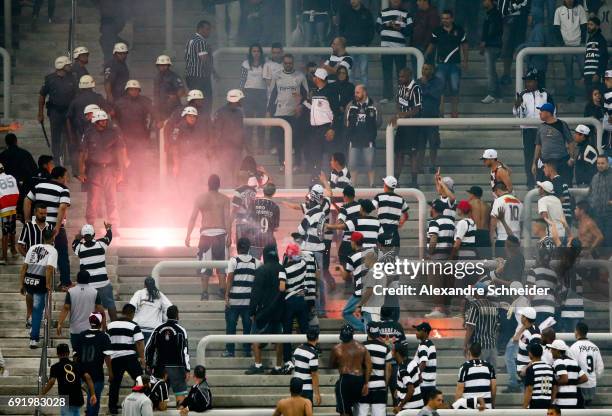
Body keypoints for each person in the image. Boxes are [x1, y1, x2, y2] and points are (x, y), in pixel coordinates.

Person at [78, 110, 127, 231]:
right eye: (102, 120)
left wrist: (121, 171)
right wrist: (81, 171)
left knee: (111, 199)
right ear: (96, 121)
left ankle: (114, 227)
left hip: (109, 169)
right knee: (93, 200)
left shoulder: (113, 132)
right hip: (94, 169)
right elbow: (83, 153)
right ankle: (90, 225)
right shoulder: (89, 133)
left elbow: (120, 152)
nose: (104, 122)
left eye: (105, 120)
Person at [185, 174, 231, 300]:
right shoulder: (224, 199)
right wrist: (229, 235)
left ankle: (205, 293)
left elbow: (193, 218)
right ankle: (222, 291)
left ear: (208, 185)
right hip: (220, 234)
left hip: (206, 235)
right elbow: (227, 219)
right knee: (221, 266)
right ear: (219, 185)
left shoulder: (200, 198)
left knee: (205, 265)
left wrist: (188, 235)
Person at [24, 166, 71, 289]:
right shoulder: (63, 189)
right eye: (66, 176)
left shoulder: (39, 186)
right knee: (62, 253)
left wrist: (28, 221)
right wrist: (57, 227)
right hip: (55, 228)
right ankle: (65, 283)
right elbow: (62, 207)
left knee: (38, 253)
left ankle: (34, 280)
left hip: (38, 225)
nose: (67, 179)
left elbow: (27, 201)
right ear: (60, 177)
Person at [246, 244, 286, 374]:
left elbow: (255, 293)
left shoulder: (261, 270)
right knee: (279, 340)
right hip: (280, 311)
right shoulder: (282, 269)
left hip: (263, 312)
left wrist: (252, 311)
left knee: (255, 338)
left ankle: (258, 365)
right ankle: (278, 366)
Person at [514, 68, 555, 189]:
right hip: (528, 130)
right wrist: (517, 106)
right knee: (529, 156)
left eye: (530, 81)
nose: (528, 83)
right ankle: (530, 182)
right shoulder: (523, 95)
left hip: (543, 129)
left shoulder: (546, 94)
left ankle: (544, 181)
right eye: (527, 81)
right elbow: (517, 115)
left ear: (536, 81)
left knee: (544, 156)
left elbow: (553, 112)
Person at [267, 53, 308, 168]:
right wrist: (269, 111)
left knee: (296, 141)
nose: (288, 65)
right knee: (280, 142)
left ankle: (297, 164)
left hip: (295, 115)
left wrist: (301, 106)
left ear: (293, 63)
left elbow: (306, 96)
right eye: (286, 63)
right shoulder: (276, 76)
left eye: (290, 63)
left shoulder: (300, 76)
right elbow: (272, 94)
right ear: (283, 63)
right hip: (279, 114)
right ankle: (282, 164)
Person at [113, 80, 155, 193]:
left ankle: (140, 185)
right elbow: (114, 117)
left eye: (136, 89)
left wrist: (149, 129)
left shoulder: (145, 101)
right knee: (123, 162)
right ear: (127, 90)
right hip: (124, 138)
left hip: (141, 138)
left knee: (140, 162)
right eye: (131, 89)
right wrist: (118, 131)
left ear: (139, 90)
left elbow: (154, 114)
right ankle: (124, 183)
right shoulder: (119, 103)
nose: (134, 91)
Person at [426, 10, 468, 118]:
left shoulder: (459, 30)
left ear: (452, 19)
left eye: (447, 18)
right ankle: (441, 111)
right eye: (443, 18)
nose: (445, 20)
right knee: (440, 88)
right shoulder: (437, 31)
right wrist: (425, 57)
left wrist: (466, 60)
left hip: (455, 64)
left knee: (455, 88)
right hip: (441, 64)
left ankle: (454, 112)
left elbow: (465, 46)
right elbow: (432, 45)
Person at [145, 305, 190, 404]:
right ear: (177, 315)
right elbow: (184, 352)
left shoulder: (158, 329)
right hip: (176, 368)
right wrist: (187, 369)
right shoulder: (181, 331)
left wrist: (148, 364)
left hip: (160, 367)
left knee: (161, 399)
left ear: (166, 315)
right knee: (181, 400)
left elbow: (149, 348)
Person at [19, 229, 56, 348]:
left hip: (29, 280)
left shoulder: (33, 247)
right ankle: (34, 338)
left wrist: (21, 284)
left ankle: (30, 321)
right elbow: (49, 268)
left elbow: (24, 267)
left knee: (31, 303)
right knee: (38, 310)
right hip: (40, 281)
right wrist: (48, 284)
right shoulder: (52, 250)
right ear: (53, 238)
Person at [105, 303, 145, 415]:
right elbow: (139, 342)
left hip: (115, 358)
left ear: (122, 312)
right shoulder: (134, 325)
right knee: (140, 379)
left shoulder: (110, 325)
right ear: (132, 314)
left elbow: (106, 343)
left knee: (115, 384)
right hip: (129, 357)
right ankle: (137, 403)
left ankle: (112, 408)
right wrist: (142, 358)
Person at [72, 222, 116, 320]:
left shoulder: (79, 248)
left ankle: (94, 329)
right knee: (110, 304)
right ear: (94, 235)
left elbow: (75, 242)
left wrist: (78, 238)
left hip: (89, 286)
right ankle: (115, 327)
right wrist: (108, 228)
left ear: (83, 236)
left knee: (93, 308)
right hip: (103, 282)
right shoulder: (101, 244)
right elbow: (109, 237)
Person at [224, 237, 260, 357]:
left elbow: (229, 279)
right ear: (249, 248)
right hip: (248, 301)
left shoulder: (233, 261)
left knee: (231, 326)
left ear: (238, 248)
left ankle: (230, 351)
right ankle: (247, 351)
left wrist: (227, 296)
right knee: (247, 327)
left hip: (234, 300)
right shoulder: (256, 262)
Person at [38, 56, 77, 163]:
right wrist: (40, 113)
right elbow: (42, 96)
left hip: (69, 113)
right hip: (55, 112)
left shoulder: (73, 78)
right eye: (68, 65)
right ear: (62, 66)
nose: (70, 66)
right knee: (56, 139)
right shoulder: (49, 79)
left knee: (71, 138)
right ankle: (56, 164)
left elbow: (77, 96)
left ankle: (73, 164)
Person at [279, 244, 310, 372]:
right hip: (301, 300)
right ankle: (309, 355)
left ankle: (287, 359)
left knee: (287, 332)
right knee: (304, 329)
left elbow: (281, 287)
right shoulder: (303, 264)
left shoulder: (283, 269)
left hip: (289, 301)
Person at [42, 343, 97, 416]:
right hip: (78, 397)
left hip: (65, 398)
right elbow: (88, 377)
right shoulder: (77, 365)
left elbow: (52, 381)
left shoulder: (55, 367)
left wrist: (42, 394)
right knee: (76, 412)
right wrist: (93, 394)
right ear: (68, 353)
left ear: (57, 354)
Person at [56, 270, 104, 352]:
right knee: (89, 353)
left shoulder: (71, 292)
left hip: (75, 329)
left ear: (77, 279)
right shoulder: (95, 292)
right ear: (89, 279)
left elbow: (66, 308)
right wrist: (103, 325)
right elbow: (100, 310)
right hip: (90, 328)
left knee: (76, 353)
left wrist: (60, 323)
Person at [330, 324, 372, 416]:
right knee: (359, 410)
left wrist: (342, 362)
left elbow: (332, 365)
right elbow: (369, 366)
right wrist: (366, 383)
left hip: (345, 380)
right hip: (359, 380)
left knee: (344, 411)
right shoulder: (362, 347)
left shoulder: (337, 348)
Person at [306, 68, 341, 177]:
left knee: (330, 157)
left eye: (315, 76)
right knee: (315, 158)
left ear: (319, 78)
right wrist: (302, 101)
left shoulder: (331, 92)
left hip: (326, 129)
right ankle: (316, 180)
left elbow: (336, 112)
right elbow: (313, 109)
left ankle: (334, 181)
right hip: (314, 130)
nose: (313, 78)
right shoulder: (316, 92)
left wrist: (332, 129)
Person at [377, 0, 413, 103]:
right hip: (385, 48)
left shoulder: (407, 13)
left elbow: (409, 31)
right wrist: (387, 24)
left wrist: (399, 28)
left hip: (400, 48)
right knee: (387, 73)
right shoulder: (382, 13)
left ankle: (402, 97)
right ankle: (387, 96)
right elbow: (377, 28)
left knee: (401, 74)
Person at [391, 68, 423, 185]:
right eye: (399, 77)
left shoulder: (416, 88)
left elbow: (417, 109)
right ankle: (395, 181)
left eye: (403, 77)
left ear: (409, 76)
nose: (400, 79)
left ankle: (414, 182)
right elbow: (398, 103)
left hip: (413, 125)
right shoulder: (400, 87)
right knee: (399, 153)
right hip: (402, 125)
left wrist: (402, 115)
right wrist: (398, 114)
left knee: (413, 154)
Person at [425, 199, 455, 318]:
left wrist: (429, 253)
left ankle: (439, 308)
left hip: (436, 257)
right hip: (449, 257)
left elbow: (433, 239)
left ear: (433, 209)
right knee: (447, 284)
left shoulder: (434, 222)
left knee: (436, 284)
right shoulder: (451, 222)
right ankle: (446, 309)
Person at [78, 312, 112, 416]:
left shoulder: (81, 335)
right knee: (94, 400)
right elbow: (107, 357)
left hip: (82, 373)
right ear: (101, 322)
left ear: (89, 322)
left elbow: (75, 357)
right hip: (97, 374)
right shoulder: (104, 337)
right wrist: (110, 373)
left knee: (91, 398)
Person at [345, 84, 379, 187]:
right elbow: (346, 122)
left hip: (368, 141)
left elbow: (378, 122)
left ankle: (372, 185)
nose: (355, 94)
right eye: (355, 92)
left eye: (358, 92)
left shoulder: (374, 105)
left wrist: (370, 133)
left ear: (364, 92)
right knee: (352, 165)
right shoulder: (350, 105)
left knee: (370, 164)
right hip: (354, 141)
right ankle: (353, 185)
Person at [554, 0, 588, 102]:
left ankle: (589, 94)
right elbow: (556, 28)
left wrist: (582, 42)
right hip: (566, 46)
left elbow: (584, 26)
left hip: (579, 46)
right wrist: (562, 43)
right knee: (568, 72)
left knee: (585, 71)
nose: (570, 0)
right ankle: (570, 95)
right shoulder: (559, 10)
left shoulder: (580, 9)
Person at [534, 103, 575, 185]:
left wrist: (571, 157)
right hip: (546, 162)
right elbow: (538, 146)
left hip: (561, 162)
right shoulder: (541, 127)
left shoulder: (562, 124)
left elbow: (571, 142)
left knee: (563, 186)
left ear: (548, 113)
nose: (539, 113)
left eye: (541, 111)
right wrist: (534, 163)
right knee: (546, 187)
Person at [356, 323, 391, 416]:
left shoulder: (361, 347)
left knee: (362, 413)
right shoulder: (385, 348)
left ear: (367, 332)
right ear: (378, 333)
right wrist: (385, 384)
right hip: (380, 385)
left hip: (364, 385)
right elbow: (389, 369)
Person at [0, 134, 36, 223]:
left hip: (10, 190)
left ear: (6, 143)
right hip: (25, 187)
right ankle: (28, 230)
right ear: (16, 141)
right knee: (26, 217)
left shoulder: (3, 155)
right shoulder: (25, 153)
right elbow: (34, 169)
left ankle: (9, 233)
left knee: (8, 218)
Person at [338, 0, 374, 85]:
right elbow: (341, 28)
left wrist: (366, 43)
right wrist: (344, 42)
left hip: (363, 47)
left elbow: (371, 29)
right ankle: (351, 94)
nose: (352, 1)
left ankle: (364, 94)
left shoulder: (367, 12)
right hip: (349, 47)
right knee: (350, 73)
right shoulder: (345, 12)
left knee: (363, 72)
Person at [464, 283, 499, 367]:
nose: (473, 292)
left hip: (479, 347)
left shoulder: (475, 306)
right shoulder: (494, 307)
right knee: (491, 374)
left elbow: (470, 327)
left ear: (478, 292)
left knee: (478, 372)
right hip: (492, 346)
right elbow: (497, 327)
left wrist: (465, 344)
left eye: (474, 290)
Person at [184, 20, 214, 117]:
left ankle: (193, 118)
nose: (209, 32)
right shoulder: (200, 42)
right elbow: (204, 59)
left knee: (194, 99)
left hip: (190, 75)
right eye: (207, 29)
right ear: (200, 29)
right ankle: (203, 121)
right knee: (206, 101)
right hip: (200, 77)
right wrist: (214, 72)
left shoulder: (190, 40)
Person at [417, 63, 443, 172]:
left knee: (433, 143)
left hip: (433, 117)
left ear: (432, 70)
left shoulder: (438, 82)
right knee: (420, 144)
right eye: (423, 68)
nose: (424, 71)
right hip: (420, 118)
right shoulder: (418, 82)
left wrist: (425, 86)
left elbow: (435, 94)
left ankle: (433, 165)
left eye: (426, 69)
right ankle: (420, 166)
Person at [130, 277, 172, 345]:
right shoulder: (159, 295)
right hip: (153, 329)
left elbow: (131, 307)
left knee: (139, 353)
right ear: (154, 284)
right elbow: (169, 307)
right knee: (150, 353)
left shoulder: (139, 293)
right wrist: (164, 321)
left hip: (139, 328)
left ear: (144, 285)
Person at [212, 89, 246, 173]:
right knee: (225, 174)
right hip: (224, 150)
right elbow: (216, 133)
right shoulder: (220, 112)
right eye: (240, 99)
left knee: (237, 174)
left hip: (237, 150)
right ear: (236, 100)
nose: (241, 101)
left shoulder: (239, 113)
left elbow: (241, 131)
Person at [570, 322, 604, 406]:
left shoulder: (574, 347)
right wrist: (593, 376)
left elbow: (573, 367)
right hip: (592, 385)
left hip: (580, 385)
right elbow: (600, 368)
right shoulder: (595, 347)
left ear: (577, 331)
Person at [455, 342, 497, 409]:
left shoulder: (465, 367)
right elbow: (494, 387)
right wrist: (492, 404)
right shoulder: (489, 366)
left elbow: (460, 389)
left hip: (470, 408)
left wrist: (457, 408)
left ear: (469, 352)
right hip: (486, 407)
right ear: (481, 353)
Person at [372, 175, 408, 252]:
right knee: (393, 257)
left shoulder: (379, 197)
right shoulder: (401, 199)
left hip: (381, 230)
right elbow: (406, 214)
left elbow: (370, 208)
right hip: (394, 231)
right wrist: (402, 222)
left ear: (385, 185)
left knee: (380, 256)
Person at [499, 0, 530, 85]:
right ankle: (506, 74)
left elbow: (525, 2)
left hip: (519, 17)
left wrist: (513, 7)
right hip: (506, 17)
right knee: (507, 46)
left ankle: (523, 75)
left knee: (519, 46)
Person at [550, 339, 588, 408]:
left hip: (561, 400)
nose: (551, 351)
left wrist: (554, 383)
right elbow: (584, 378)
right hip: (573, 400)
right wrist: (572, 382)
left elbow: (564, 379)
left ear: (557, 351)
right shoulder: (573, 362)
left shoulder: (558, 362)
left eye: (552, 349)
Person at [480, 0, 504, 104]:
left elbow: (493, 29)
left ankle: (492, 94)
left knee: (490, 71)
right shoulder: (490, 13)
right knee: (492, 71)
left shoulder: (495, 14)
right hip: (492, 44)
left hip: (492, 45)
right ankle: (498, 95)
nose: (483, 2)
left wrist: (485, 41)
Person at [526, 248, 558, 325]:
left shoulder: (533, 271)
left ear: (539, 258)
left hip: (537, 310)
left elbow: (530, 294)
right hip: (550, 309)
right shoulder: (554, 274)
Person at [490, 182, 523, 253]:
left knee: (502, 263)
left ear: (498, 190)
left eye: (496, 193)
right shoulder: (519, 202)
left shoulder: (499, 200)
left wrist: (491, 238)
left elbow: (493, 220)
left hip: (503, 239)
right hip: (516, 239)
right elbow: (521, 222)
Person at [394, 340, 424, 413]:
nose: (391, 353)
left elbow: (411, 390)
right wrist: (399, 388)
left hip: (409, 408)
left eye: (393, 351)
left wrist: (399, 407)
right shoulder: (413, 362)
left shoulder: (403, 369)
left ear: (397, 353)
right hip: (419, 404)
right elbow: (420, 379)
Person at [587, 155, 611, 248]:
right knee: (599, 242)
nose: (600, 165)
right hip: (597, 215)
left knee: (609, 240)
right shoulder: (595, 177)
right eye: (598, 163)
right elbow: (590, 194)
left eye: (602, 163)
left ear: (607, 164)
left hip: (610, 214)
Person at [153, 55, 186, 122]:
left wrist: (175, 97)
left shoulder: (174, 76)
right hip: (160, 108)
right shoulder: (157, 77)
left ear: (168, 65)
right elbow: (155, 93)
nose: (162, 67)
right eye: (160, 65)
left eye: (164, 65)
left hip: (172, 107)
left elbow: (182, 90)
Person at [523, 342, 555, 408]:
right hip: (547, 402)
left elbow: (529, 390)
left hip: (535, 403)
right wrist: (550, 402)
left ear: (530, 354)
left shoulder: (531, 369)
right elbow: (555, 388)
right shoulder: (550, 368)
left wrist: (524, 407)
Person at [515, 307, 542, 382]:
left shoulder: (534, 333)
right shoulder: (527, 328)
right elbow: (516, 339)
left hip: (528, 371)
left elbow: (536, 356)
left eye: (522, 315)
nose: (520, 317)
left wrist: (526, 369)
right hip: (523, 370)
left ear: (525, 318)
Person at [584, 16, 609, 95]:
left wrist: (598, 73)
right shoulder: (589, 40)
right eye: (588, 24)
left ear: (597, 26)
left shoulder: (601, 39)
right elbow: (587, 58)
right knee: (589, 98)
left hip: (595, 76)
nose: (589, 26)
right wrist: (583, 75)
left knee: (597, 98)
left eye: (591, 25)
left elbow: (604, 58)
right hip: (588, 75)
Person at [413, 322, 437, 402]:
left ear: (425, 332)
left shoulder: (423, 345)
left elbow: (423, 362)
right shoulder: (430, 344)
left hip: (423, 385)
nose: (416, 332)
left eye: (418, 330)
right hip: (431, 384)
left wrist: (417, 375)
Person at [0, 162, 19, 264]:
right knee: (12, 230)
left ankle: (3, 257)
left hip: (4, 207)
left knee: (4, 232)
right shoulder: (11, 177)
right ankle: (13, 250)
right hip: (13, 205)